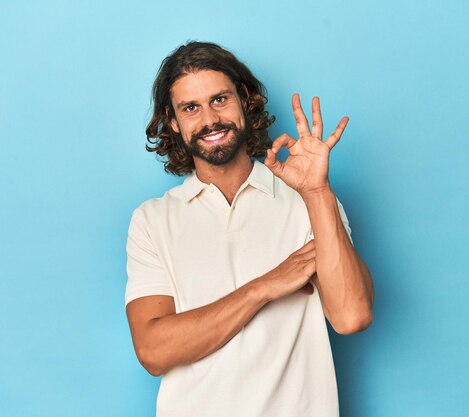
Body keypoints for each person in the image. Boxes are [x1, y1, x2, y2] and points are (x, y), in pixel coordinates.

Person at [125, 41, 374, 417]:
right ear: (173, 121)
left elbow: (351, 316)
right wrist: (265, 287)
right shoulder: (152, 220)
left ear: (244, 99)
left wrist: (317, 191)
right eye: (191, 108)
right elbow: (154, 351)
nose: (209, 119)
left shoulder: (308, 201)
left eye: (219, 99)